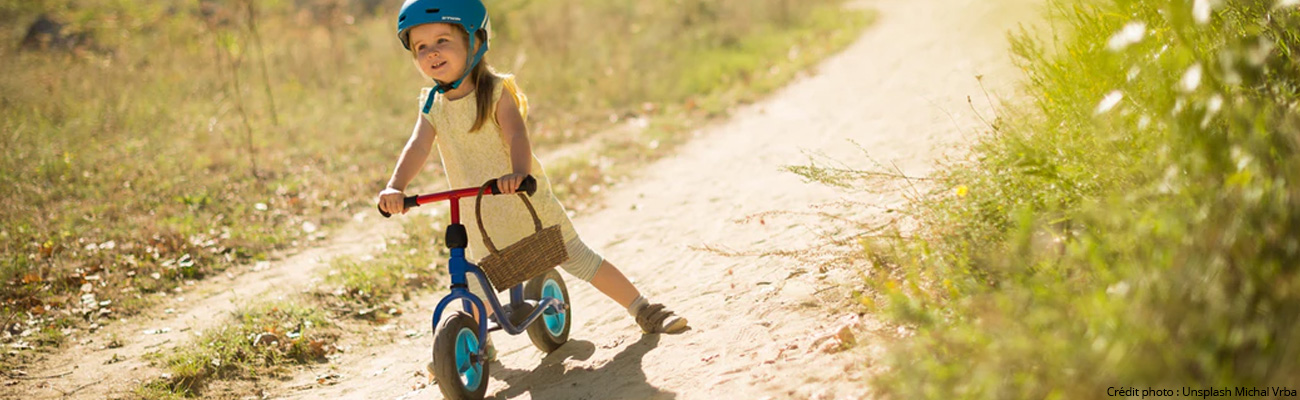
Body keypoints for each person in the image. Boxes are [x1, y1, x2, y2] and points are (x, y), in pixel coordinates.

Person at [376, 0, 689, 341]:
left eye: (442, 41)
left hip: (521, 198)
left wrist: (518, 172)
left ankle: (643, 308)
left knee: (577, 258)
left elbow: (516, 133)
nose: (432, 53)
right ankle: (471, 349)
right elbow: (418, 146)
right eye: (421, 47)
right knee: (475, 285)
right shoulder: (431, 104)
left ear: (475, 41)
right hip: (480, 214)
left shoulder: (494, 91)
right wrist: (396, 186)